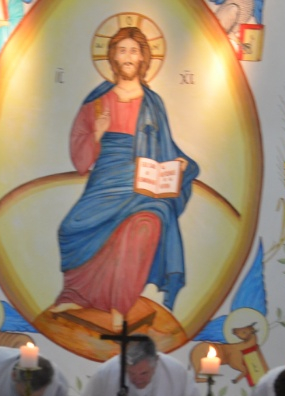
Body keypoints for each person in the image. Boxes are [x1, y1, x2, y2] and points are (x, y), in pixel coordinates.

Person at [50, 26, 199, 326]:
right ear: (112, 57)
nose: (128, 57)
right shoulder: (98, 100)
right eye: (122, 50)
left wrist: (181, 165)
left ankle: (120, 304)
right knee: (70, 228)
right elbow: (80, 155)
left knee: (143, 225)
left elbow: (165, 147)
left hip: (143, 186)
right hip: (106, 178)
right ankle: (75, 295)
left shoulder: (153, 103)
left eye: (134, 50)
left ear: (144, 57)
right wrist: (98, 133)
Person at [80, 336, 201, 396]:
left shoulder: (176, 372)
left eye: (144, 373)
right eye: (131, 373)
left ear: (156, 362)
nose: (137, 379)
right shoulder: (106, 371)